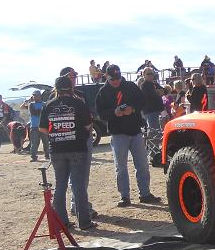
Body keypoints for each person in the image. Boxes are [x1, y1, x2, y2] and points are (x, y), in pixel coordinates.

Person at [95, 64, 161, 207]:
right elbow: (100, 114)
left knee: (142, 164)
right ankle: (124, 196)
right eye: (113, 79)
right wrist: (114, 112)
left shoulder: (130, 86)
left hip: (135, 130)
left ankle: (145, 193)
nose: (116, 81)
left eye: (118, 78)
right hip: (118, 133)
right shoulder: (103, 92)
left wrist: (133, 108)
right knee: (121, 167)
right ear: (107, 77)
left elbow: (142, 101)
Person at [40, 75, 96, 231]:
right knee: (78, 186)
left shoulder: (49, 105)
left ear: (56, 89)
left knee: (60, 185)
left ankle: (62, 222)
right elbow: (88, 125)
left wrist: (57, 132)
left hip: (57, 149)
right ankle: (84, 222)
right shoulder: (78, 102)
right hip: (77, 148)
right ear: (71, 88)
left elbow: (42, 128)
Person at [24, 90, 49, 161]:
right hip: (34, 126)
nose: (34, 97)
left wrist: (41, 111)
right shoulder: (31, 105)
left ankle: (47, 155)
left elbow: (45, 113)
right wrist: (42, 110)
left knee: (46, 142)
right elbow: (34, 112)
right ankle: (33, 156)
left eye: (36, 95)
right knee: (34, 143)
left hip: (43, 126)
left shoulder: (45, 104)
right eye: (34, 95)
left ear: (40, 96)